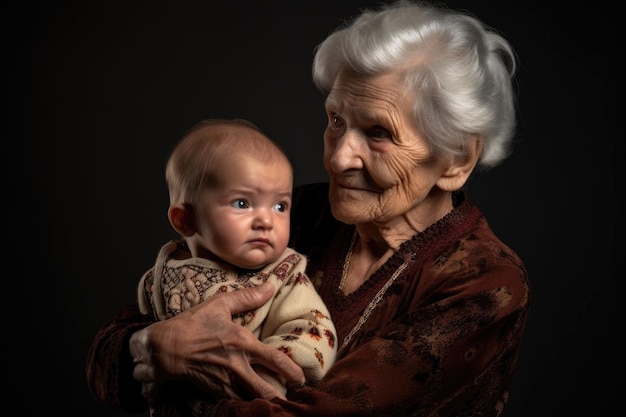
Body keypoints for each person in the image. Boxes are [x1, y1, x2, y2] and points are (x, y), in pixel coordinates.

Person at [86, 1, 530, 416]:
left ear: (456, 160)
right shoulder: (293, 213)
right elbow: (111, 352)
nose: (338, 159)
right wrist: (150, 346)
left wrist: (171, 372)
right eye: (335, 120)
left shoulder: (485, 284)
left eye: (378, 132)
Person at [136, 118, 337, 403]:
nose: (266, 220)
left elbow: (311, 329)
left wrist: (264, 375)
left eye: (280, 206)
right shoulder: (161, 276)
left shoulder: (283, 278)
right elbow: (141, 342)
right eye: (242, 203)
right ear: (185, 220)